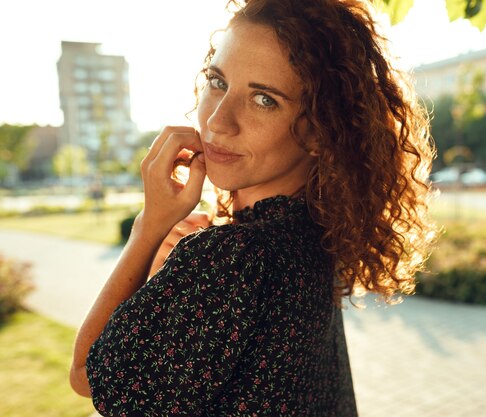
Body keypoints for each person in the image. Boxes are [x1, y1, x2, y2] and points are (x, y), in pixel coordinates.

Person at [69, 0, 435, 415]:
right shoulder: (313, 233)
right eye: (217, 81)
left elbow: (88, 377)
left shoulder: (235, 257)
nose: (218, 121)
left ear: (320, 130)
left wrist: (148, 226)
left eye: (265, 99)